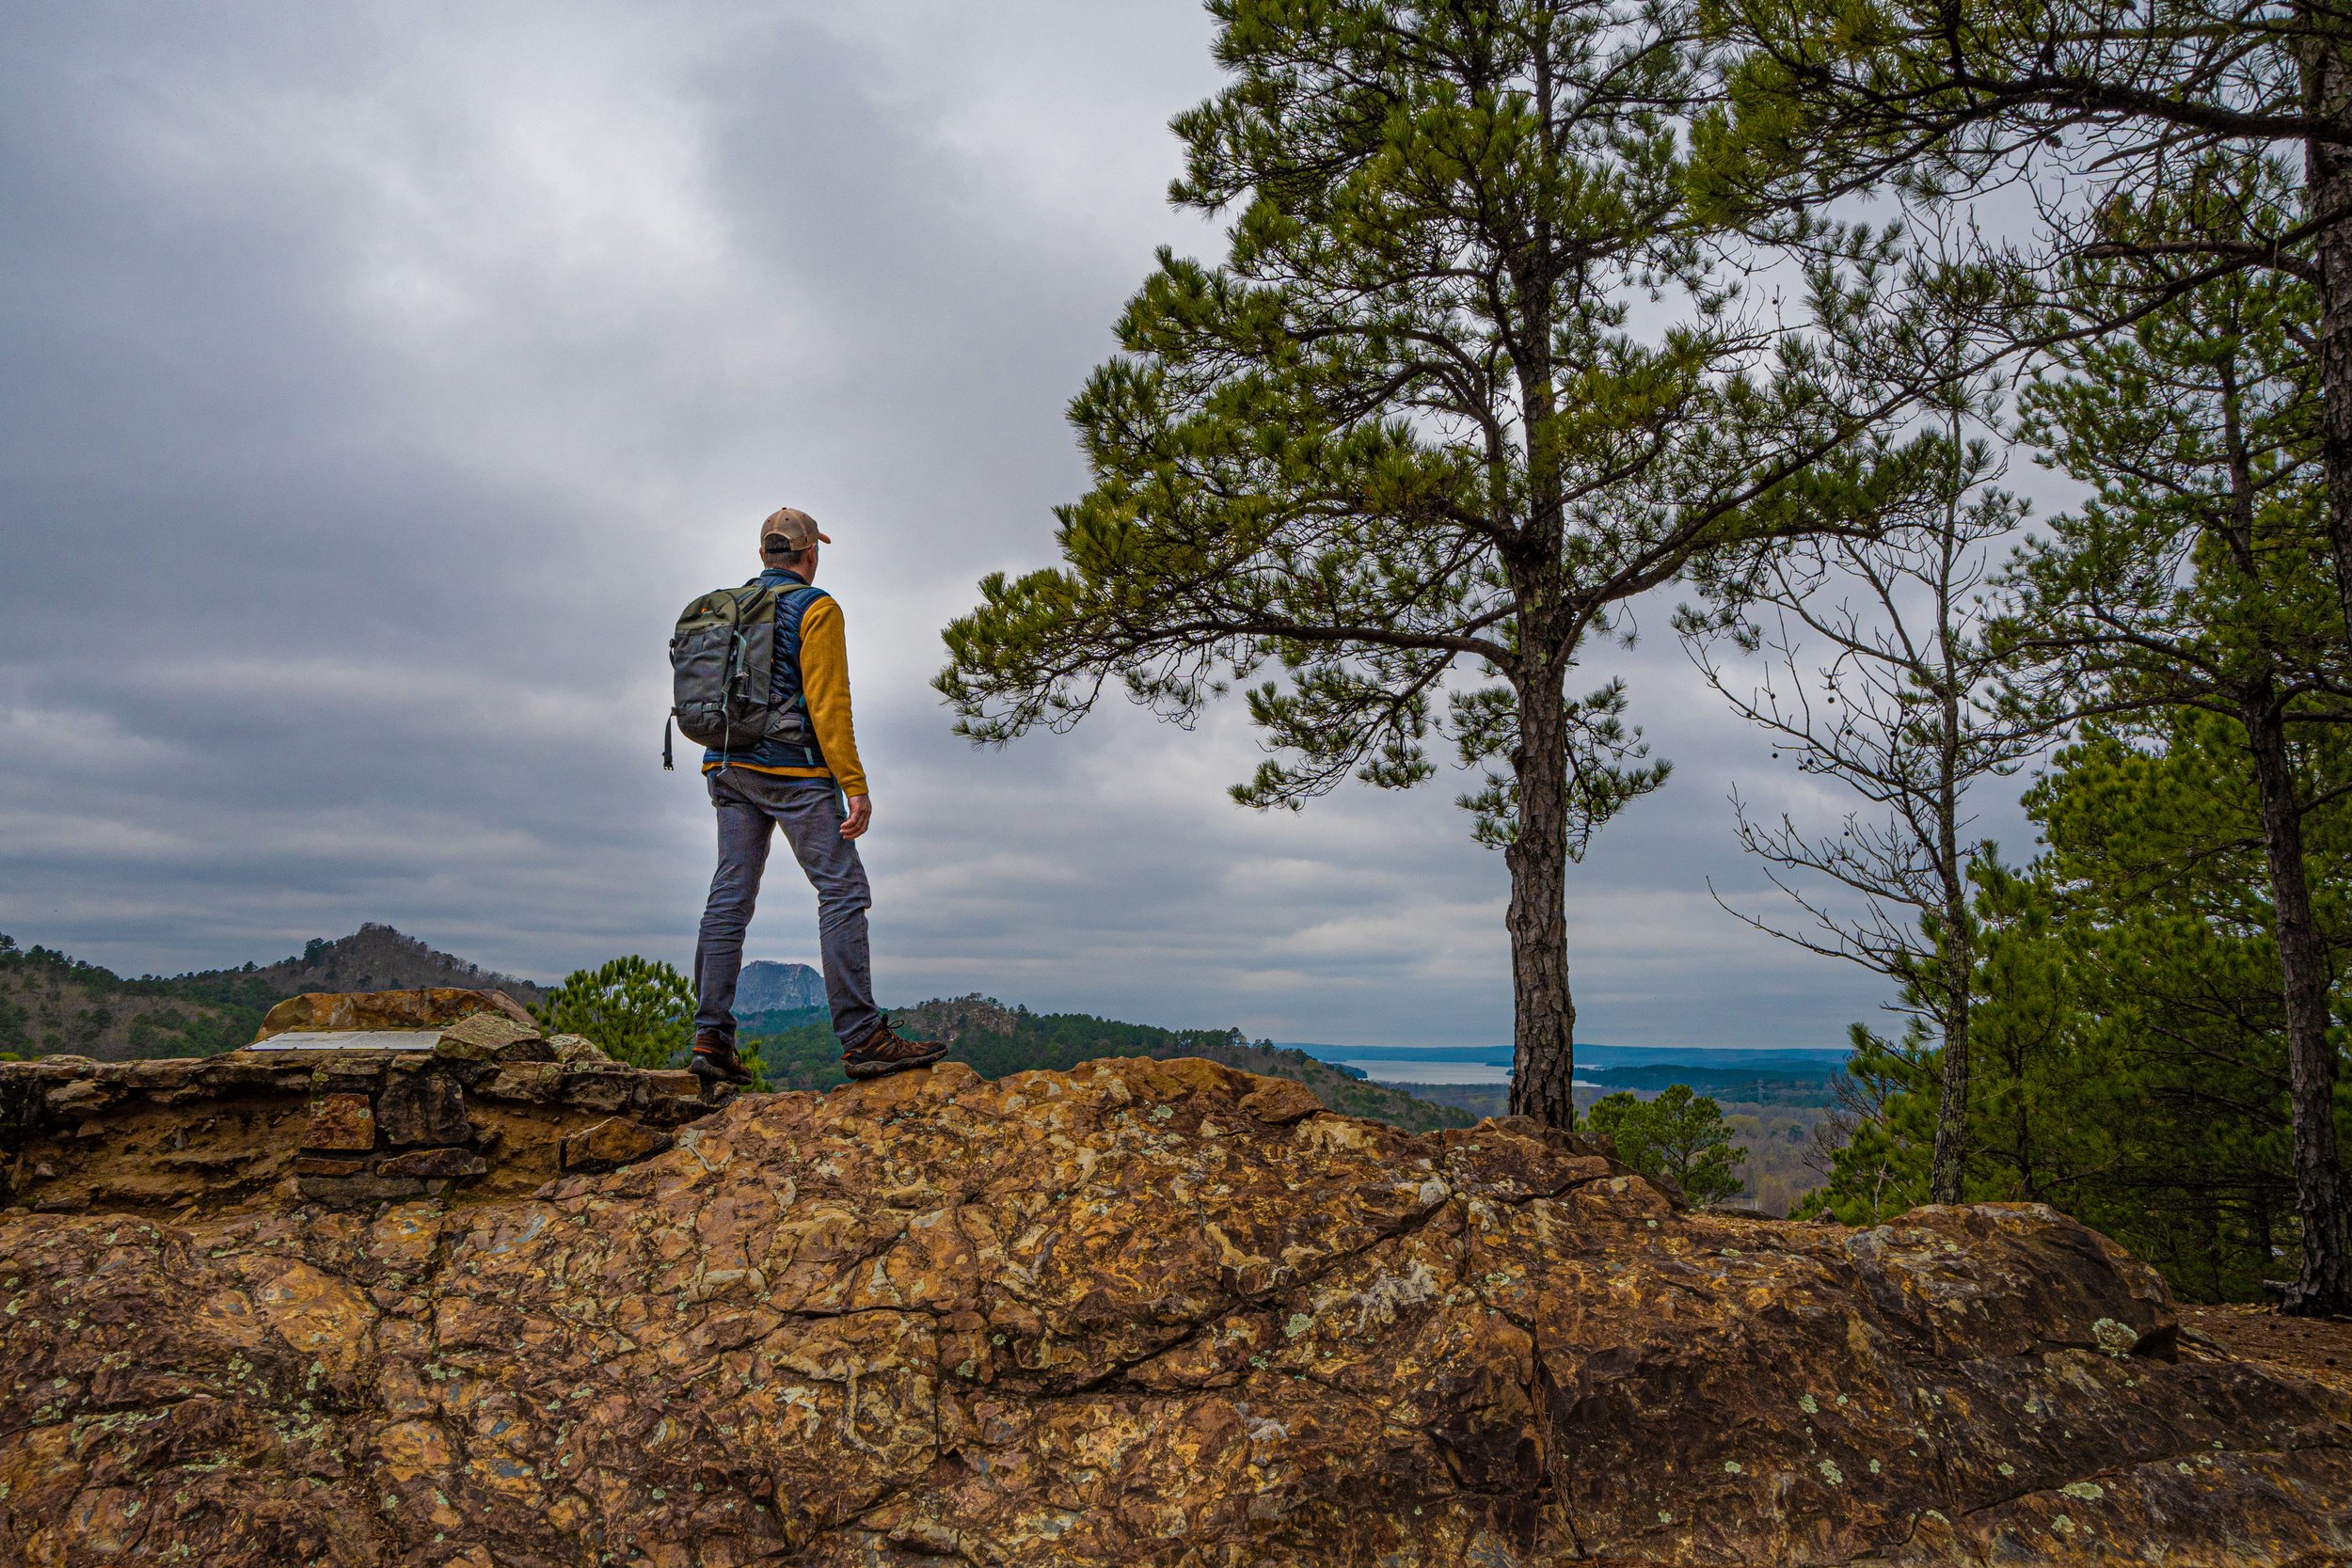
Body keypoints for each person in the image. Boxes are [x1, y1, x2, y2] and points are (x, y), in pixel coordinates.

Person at [685, 506, 946, 1087]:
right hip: (793, 772)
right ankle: (862, 1038)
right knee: (842, 888)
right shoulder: (817, 607)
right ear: (810, 555)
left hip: (726, 765)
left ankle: (711, 1039)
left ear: (761, 555)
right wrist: (854, 784)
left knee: (730, 897)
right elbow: (829, 705)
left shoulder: (725, 608)